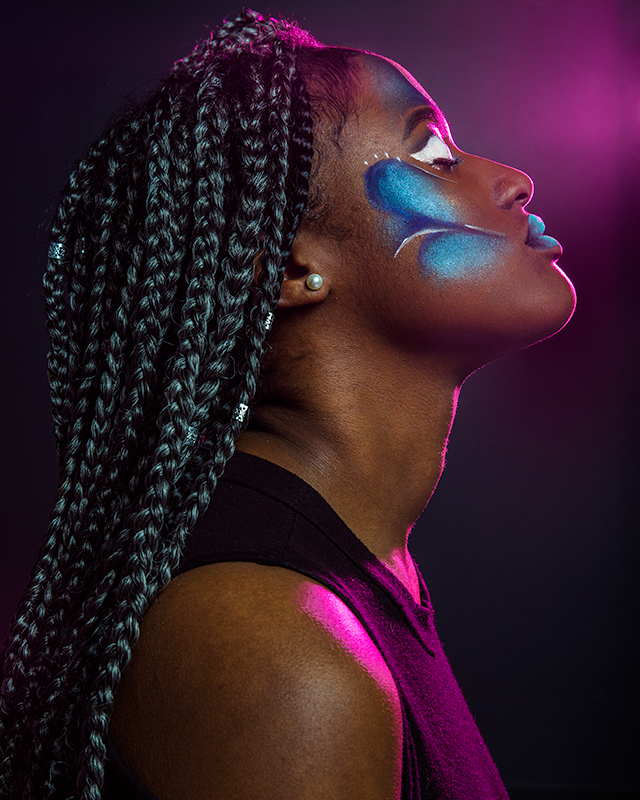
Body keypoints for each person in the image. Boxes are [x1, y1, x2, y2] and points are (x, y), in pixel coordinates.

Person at [0, 9, 576, 800]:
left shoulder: (355, 576)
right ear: (290, 268)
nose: (514, 179)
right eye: (432, 153)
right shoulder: (273, 638)